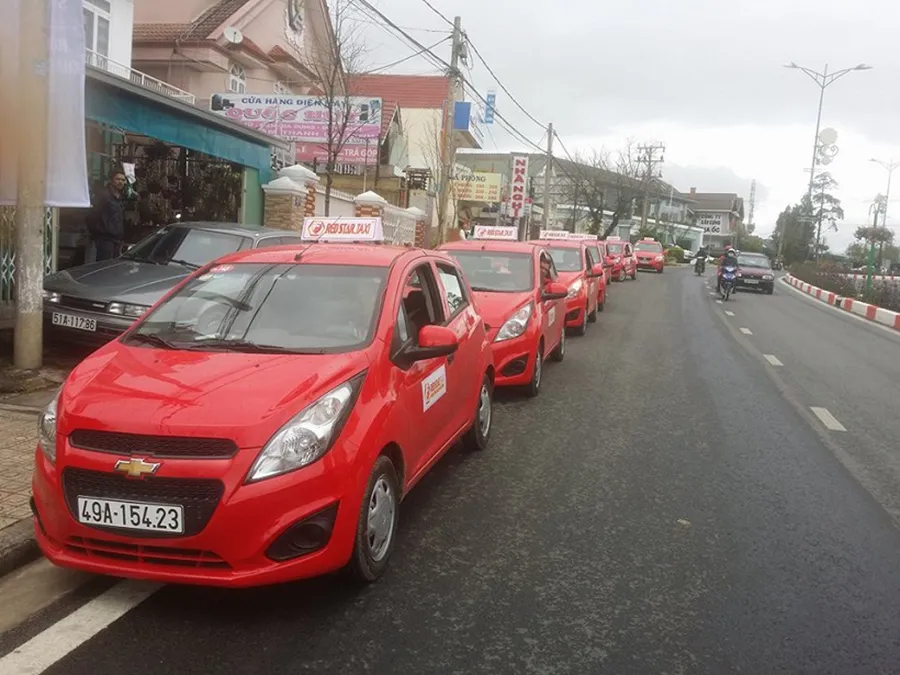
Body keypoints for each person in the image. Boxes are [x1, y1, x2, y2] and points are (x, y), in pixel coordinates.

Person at [87, 168, 127, 262]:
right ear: (111, 180)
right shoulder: (104, 195)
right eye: (118, 179)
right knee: (104, 268)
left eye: (123, 180)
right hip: (104, 240)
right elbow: (91, 215)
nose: (120, 182)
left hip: (116, 240)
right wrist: (97, 232)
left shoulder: (119, 197)